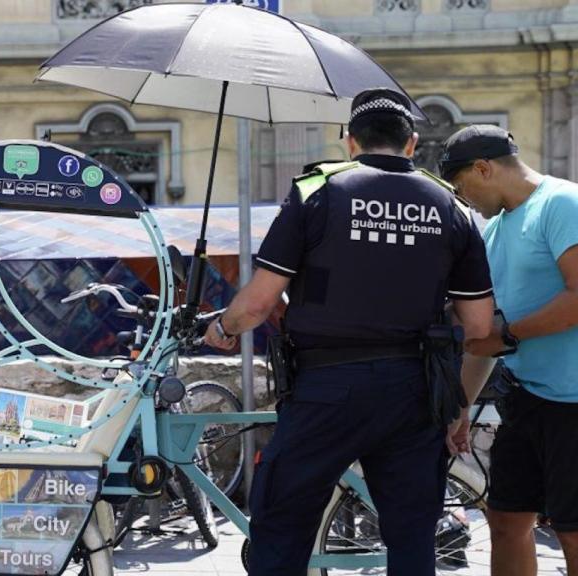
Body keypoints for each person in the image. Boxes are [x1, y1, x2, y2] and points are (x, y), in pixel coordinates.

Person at [203, 88, 494, 575]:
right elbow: (480, 326)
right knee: (412, 536)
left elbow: (257, 305)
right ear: (411, 143)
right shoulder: (452, 207)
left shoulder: (317, 192)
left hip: (325, 389)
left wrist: (223, 326)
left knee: (282, 526)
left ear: (350, 141)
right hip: (414, 391)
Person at [440, 125, 578, 576]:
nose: (465, 203)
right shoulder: (495, 231)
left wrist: (510, 336)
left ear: (484, 168)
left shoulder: (561, 203)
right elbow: (485, 338)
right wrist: (461, 405)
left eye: (463, 190)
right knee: (505, 519)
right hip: (526, 398)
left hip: (574, 404)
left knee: (573, 532)